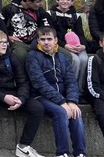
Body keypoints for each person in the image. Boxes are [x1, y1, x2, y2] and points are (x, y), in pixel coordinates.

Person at [0, 29, 44, 157]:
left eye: (6, 42)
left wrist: (22, 99)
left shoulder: (12, 56)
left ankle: (24, 146)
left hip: (13, 92)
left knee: (37, 108)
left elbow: (23, 81)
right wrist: (3, 97)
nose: (4, 45)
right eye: (0, 42)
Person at [26, 26, 86, 157]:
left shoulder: (62, 57)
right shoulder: (33, 56)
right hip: (40, 96)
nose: (46, 42)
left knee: (76, 112)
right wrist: (62, 102)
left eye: (49, 39)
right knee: (61, 112)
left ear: (56, 40)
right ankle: (62, 152)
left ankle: (80, 153)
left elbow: (71, 81)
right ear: (38, 40)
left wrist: (72, 101)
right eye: (43, 39)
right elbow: (39, 83)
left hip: (63, 97)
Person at [49, 0, 89, 103]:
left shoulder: (76, 16)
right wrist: (65, 45)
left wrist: (83, 46)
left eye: (68, 0)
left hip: (76, 45)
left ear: (72, 2)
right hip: (61, 44)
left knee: (84, 59)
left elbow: (81, 34)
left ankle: (80, 91)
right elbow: (52, 33)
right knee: (75, 60)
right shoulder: (50, 14)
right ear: (57, 0)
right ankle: (71, 90)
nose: (65, 2)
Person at [0, 0, 53, 64]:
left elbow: (46, 27)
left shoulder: (40, 11)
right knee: (22, 55)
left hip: (37, 41)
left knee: (66, 55)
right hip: (17, 43)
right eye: (38, 2)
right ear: (28, 1)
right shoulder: (9, 9)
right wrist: (7, 37)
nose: (41, 4)